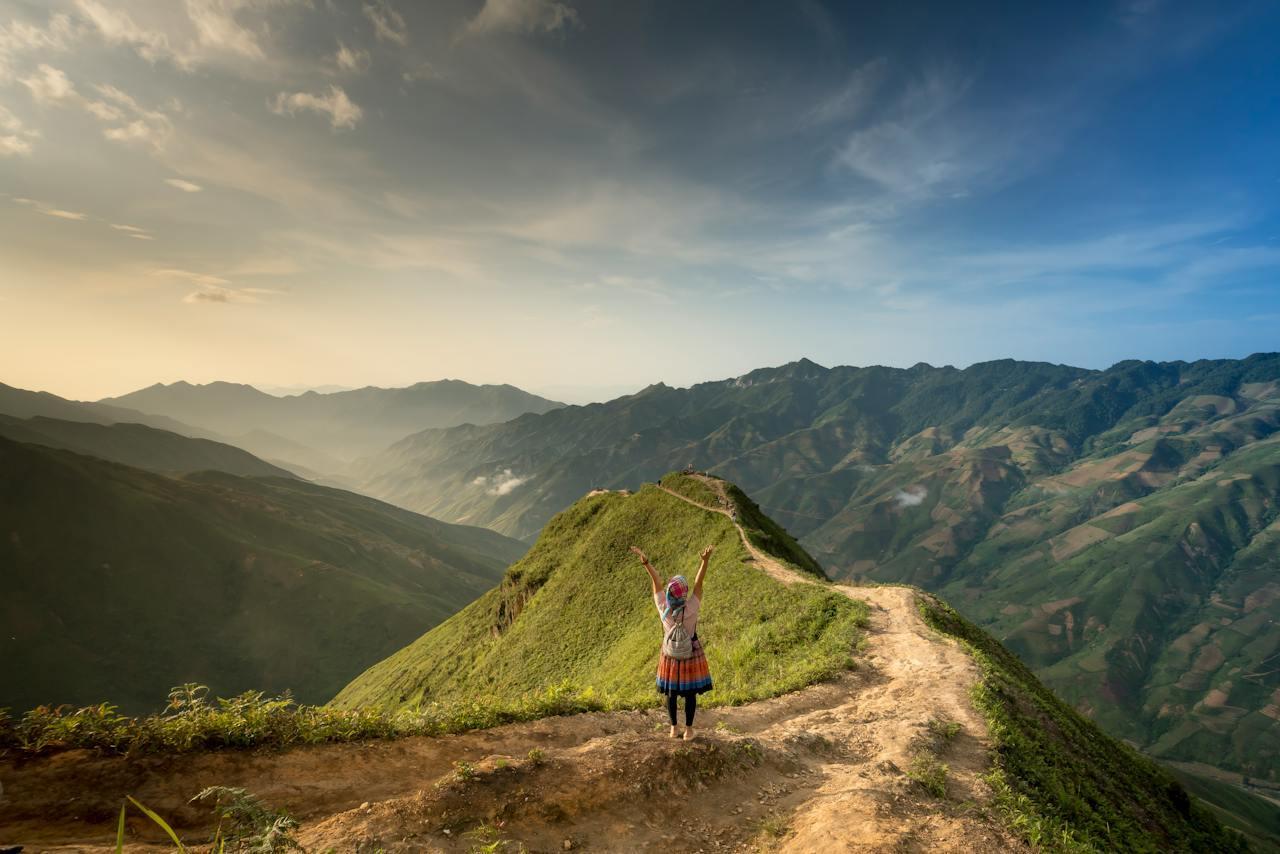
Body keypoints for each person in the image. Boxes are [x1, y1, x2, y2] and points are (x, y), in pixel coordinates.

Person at [630, 544, 714, 740]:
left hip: (669, 655)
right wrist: (705, 561)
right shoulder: (692, 607)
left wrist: (646, 563)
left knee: (671, 692)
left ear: (669, 593)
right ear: (684, 594)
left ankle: (673, 727)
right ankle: (689, 730)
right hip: (690, 653)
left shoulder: (663, 607)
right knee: (690, 693)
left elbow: (656, 582)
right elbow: (699, 583)